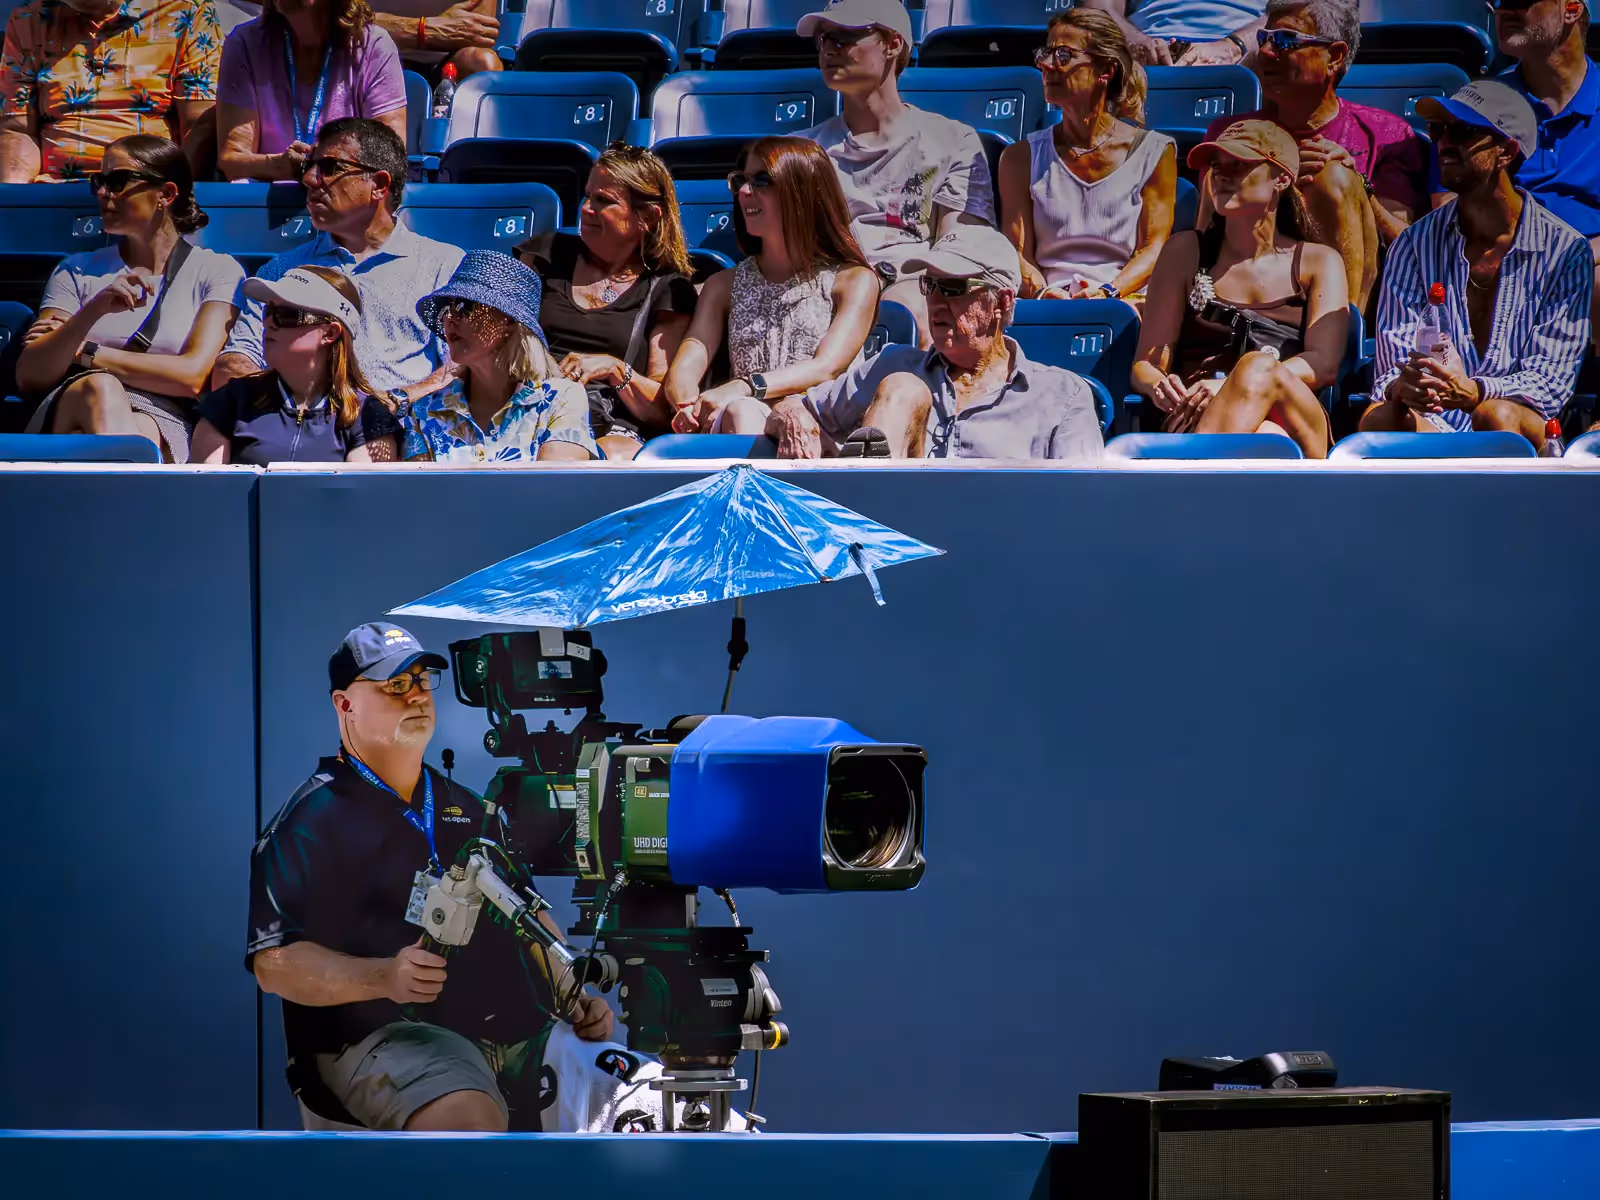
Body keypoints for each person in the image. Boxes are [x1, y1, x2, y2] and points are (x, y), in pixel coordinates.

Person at [248, 623, 703, 1133]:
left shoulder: (466, 806)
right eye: (395, 685)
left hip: (516, 1032)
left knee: (658, 1104)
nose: (416, 695)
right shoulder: (310, 820)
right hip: (381, 1037)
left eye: (422, 680)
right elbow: (273, 963)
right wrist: (385, 976)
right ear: (344, 704)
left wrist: (572, 990)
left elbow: (527, 914)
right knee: (467, 1122)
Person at [1364, 82, 1591, 450]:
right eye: (1438, 129)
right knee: (1381, 417)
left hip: (1519, 426)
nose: (1443, 143)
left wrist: (1477, 392)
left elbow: (1550, 381)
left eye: (1463, 132)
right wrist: (1403, 386)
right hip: (1434, 420)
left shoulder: (1565, 250)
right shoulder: (1414, 244)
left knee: (1494, 415)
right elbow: (1391, 365)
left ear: (1507, 152)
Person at [779, 226, 1103, 461]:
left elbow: (1085, 502)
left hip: (1002, 529)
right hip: (896, 526)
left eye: (952, 288)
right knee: (903, 389)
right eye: (929, 284)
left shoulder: (1063, 394)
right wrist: (797, 419)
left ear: (1002, 302)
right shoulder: (892, 364)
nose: (934, 301)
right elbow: (793, 407)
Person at [15, 134, 241, 461]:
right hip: (74, 400)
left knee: (135, 436)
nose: (103, 193)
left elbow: (192, 377)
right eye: (100, 181)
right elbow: (30, 375)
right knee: (101, 389)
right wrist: (92, 312)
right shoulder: (77, 270)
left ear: (166, 194)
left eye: (118, 181)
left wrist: (83, 350)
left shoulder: (217, 270)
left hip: (163, 416)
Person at [1132, 121, 1349, 458]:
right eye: (1216, 165)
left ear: (1281, 179)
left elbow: (1323, 364)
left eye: (1239, 164)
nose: (1221, 175)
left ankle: (1185, 483)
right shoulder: (1185, 251)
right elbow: (1146, 365)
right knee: (1267, 439)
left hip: (1295, 414)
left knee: (1258, 367)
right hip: (1200, 416)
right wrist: (1159, 385)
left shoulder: (1320, 261)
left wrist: (1231, 385)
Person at [1197, 0, 1426, 311]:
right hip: (1250, 295)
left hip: (1350, 303)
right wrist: (1280, 177)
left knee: (1333, 177)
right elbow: (1205, 233)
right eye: (1264, 38)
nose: (1266, 52)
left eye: (1285, 40)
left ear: (1335, 56)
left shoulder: (1387, 135)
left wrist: (1360, 187)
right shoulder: (1231, 134)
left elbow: (1409, 248)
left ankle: (1341, 330)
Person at [213, 117, 461, 404]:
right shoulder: (282, 271)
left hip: (403, 424)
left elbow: (462, 364)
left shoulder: (443, 266)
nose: (309, 180)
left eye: (330, 168)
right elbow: (233, 363)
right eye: (308, 167)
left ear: (379, 184)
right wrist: (299, 410)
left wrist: (396, 403)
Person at [796, 0, 994, 345]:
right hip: (823, 286)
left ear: (892, 44)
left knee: (920, 308)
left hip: (910, 287)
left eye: (842, 37)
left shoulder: (953, 141)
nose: (828, 49)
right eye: (822, 39)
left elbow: (959, 248)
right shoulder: (801, 150)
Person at [662, 136, 878, 439]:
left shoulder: (854, 280)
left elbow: (826, 368)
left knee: (741, 409)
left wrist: (746, 386)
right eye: (741, 181)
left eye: (762, 180)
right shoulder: (722, 285)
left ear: (802, 191)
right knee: (741, 412)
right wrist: (686, 403)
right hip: (747, 423)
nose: (745, 192)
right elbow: (689, 361)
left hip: (825, 429)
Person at [520, 146, 698, 462]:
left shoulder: (667, 289)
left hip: (605, 426)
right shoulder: (545, 256)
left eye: (604, 200)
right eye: (588, 196)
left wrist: (614, 369)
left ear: (647, 216)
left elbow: (662, 409)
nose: (586, 208)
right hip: (530, 406)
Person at [999, 8, 1176, 304]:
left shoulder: (1155, 152)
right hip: (1047, 302)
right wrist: (1043, 293)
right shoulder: (1020, 157)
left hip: (1122, 301)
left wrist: (1107, 292)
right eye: (1045, 53)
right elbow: (1017, 253)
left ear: (1105, 70)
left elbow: (1153, 249)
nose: (1046, 65)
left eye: (1063, 55)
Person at [191, 266, 401, 463]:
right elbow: (210, 487)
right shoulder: (230, 401)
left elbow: (359, 490)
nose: (268, 323)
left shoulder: (368, 418)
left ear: (330, 333)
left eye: (287, 315)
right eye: (269, 311)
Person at [402, 250, 597, 463]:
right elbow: (419, 486)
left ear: (509, 321)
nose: (450, 317)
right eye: (447, 307)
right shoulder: (424, 412)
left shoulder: (560, 399)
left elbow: (557, 483)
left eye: (464, 306)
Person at [0, 0, 222, 182]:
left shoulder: (186, 11)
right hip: (56, 191)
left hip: (148, 189)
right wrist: (17, 204)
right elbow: (18, 130)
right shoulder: (29, 20)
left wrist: (172, 196)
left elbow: (199, 125)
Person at [1492, 0, 1600, 348]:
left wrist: (1574, 257)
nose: (1503, 10)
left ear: (1571, 8)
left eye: (1518, 1)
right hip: (1505, 268)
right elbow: (1449, 208)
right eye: (1497, 1)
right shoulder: (1479, 106)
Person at [217, 0, 407, 182]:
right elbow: (232, 160)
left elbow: (389, 156)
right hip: (271, 200)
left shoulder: (373, 45)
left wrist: (330, 165)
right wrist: (279, 166)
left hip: (347, 198)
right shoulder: (244, 44)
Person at [1078, 0, 1265, 67]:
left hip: (1246, 54)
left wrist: (1233, 48)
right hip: (1146, 56)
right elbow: (1098, 10)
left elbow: (1282, 12)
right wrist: (1138, 43)